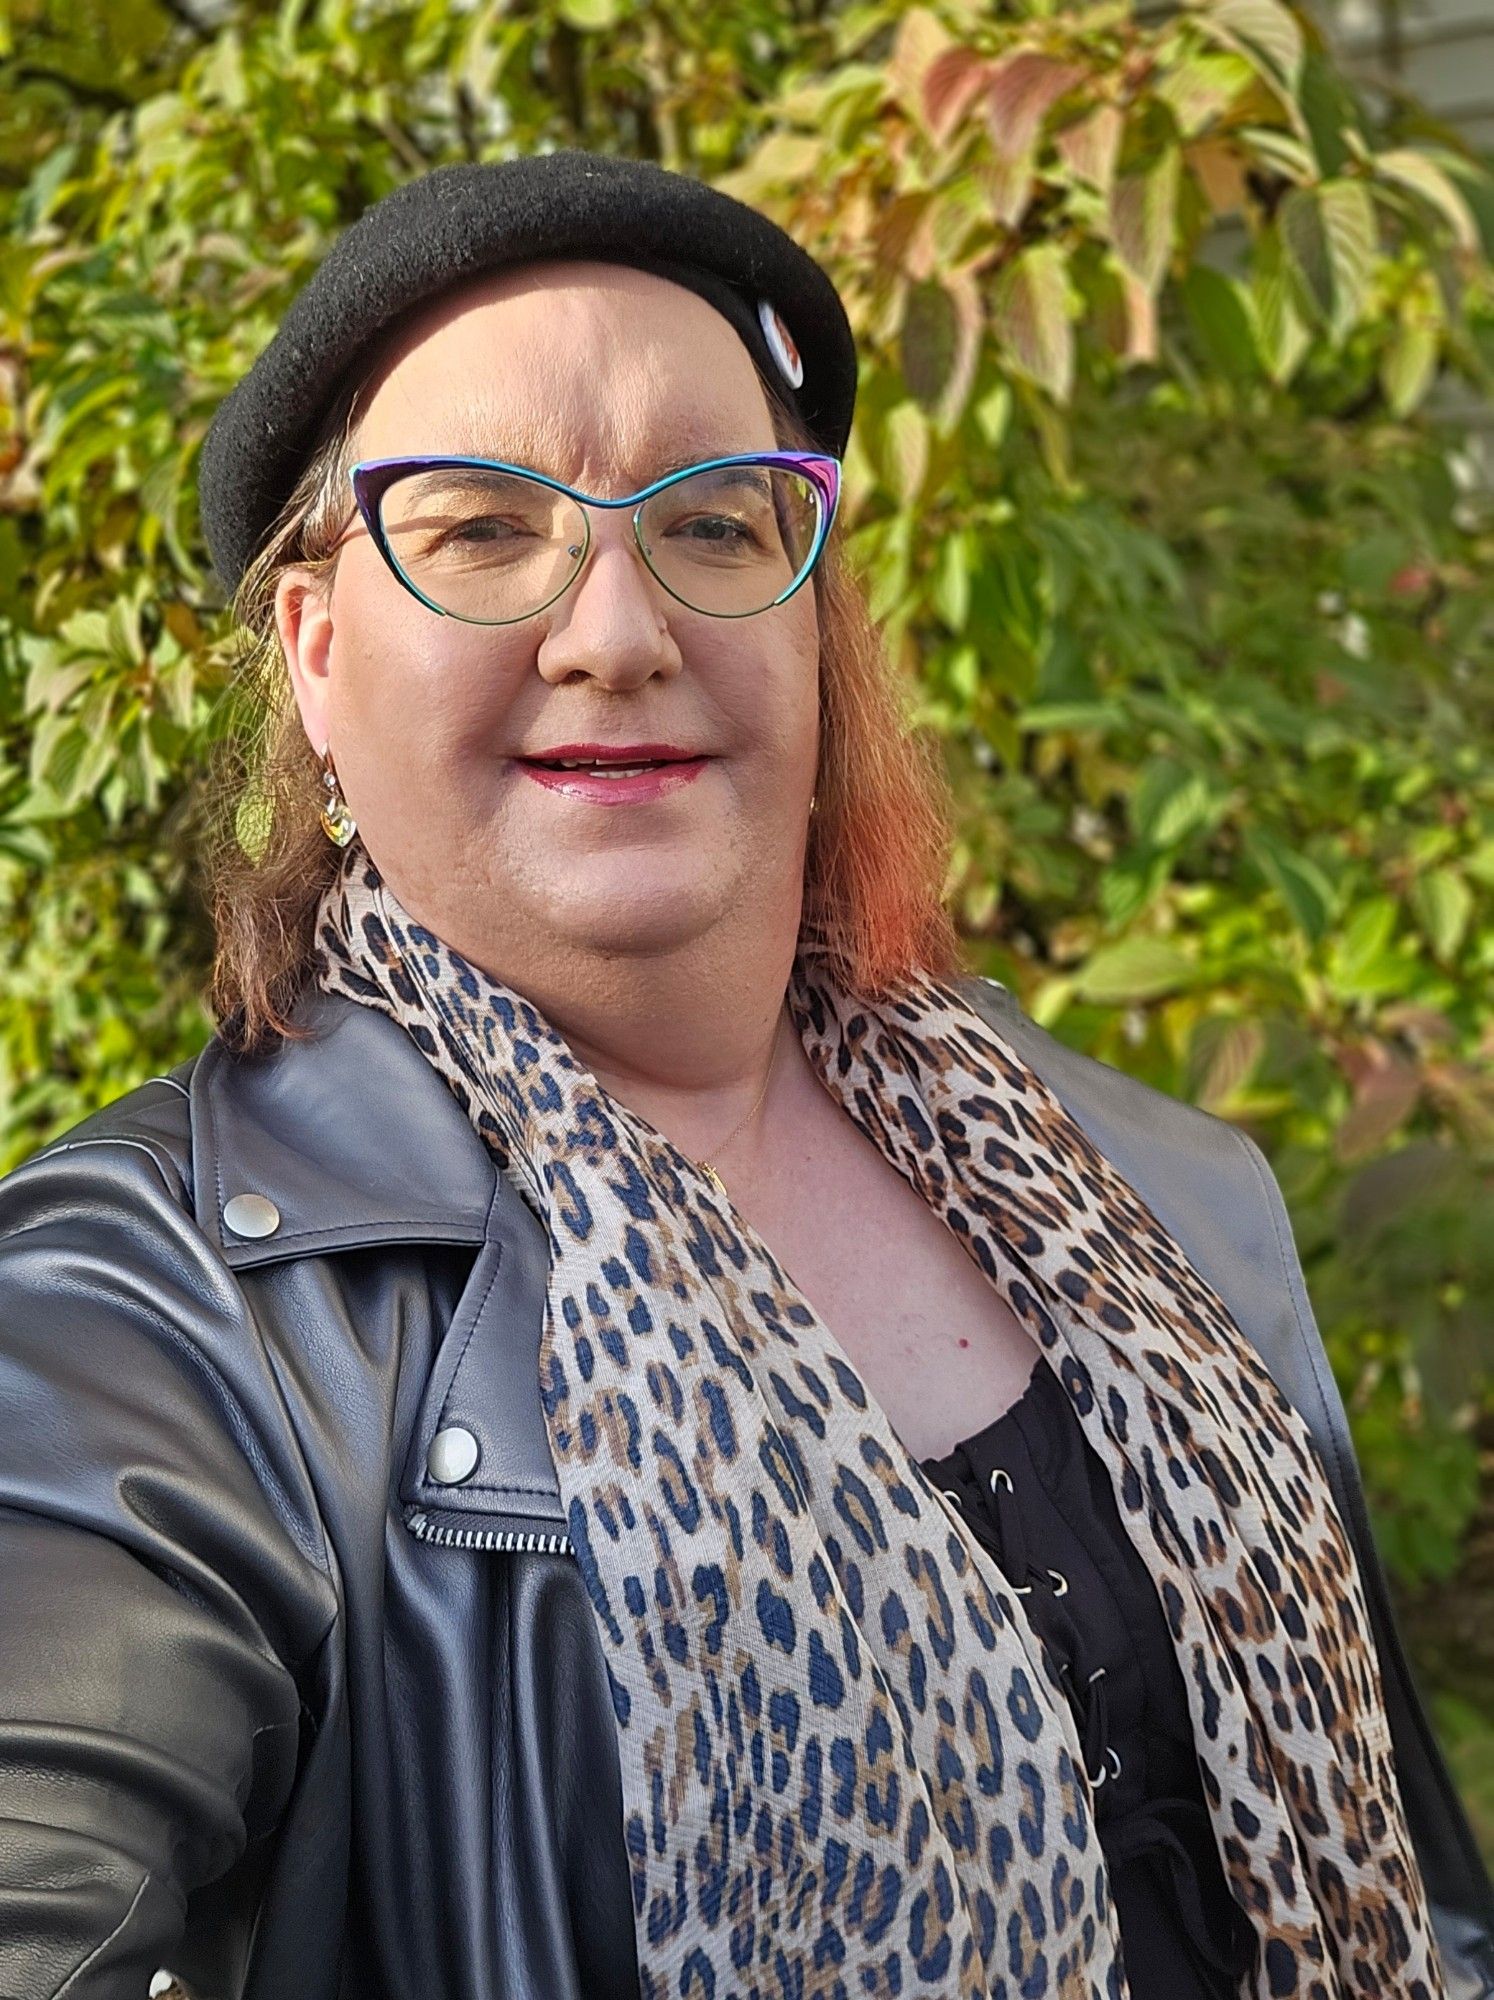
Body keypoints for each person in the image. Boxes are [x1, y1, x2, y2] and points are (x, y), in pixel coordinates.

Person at [0, 149, 1488, 2000]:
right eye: (476, 531)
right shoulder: (144, 1317)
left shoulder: (1155, 1190)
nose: (617, 632)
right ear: (314, 651)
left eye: (712, 522)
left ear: (804, 609)